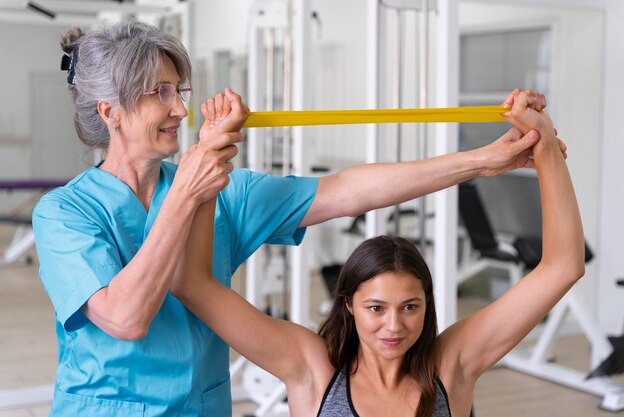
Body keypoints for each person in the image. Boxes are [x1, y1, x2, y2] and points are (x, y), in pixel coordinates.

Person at [32, 19, 562, 417]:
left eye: (181, 91)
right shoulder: (65, 215)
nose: (180, 110)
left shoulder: (224, 192)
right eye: (161, 94)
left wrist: (482, 161)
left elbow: (351, 191)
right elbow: (125, 318)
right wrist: (189, 189)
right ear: (111, 112)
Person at [171, 89, 584, 417]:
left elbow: (563, 266)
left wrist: (542, 142)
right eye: (375, 308)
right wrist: (212, 151)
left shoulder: (451, 365)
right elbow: (195, 285)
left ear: (427, 304)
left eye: (409, 307)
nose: (394, 326)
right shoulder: (313, 370)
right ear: (348, 305)